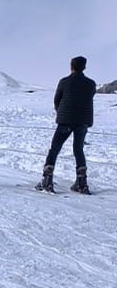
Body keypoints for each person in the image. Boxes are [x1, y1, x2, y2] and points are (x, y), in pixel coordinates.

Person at [35, 56, 96, 194]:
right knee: (78, 150)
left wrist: (61, 113)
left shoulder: (64, 81)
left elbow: (57, 100)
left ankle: (47, 180)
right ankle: (81, 183)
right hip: (82, 121)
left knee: (54, 149)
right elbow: (89, 98)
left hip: (65, 120)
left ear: (71, 66)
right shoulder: (91, 83)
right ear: (84, 67)